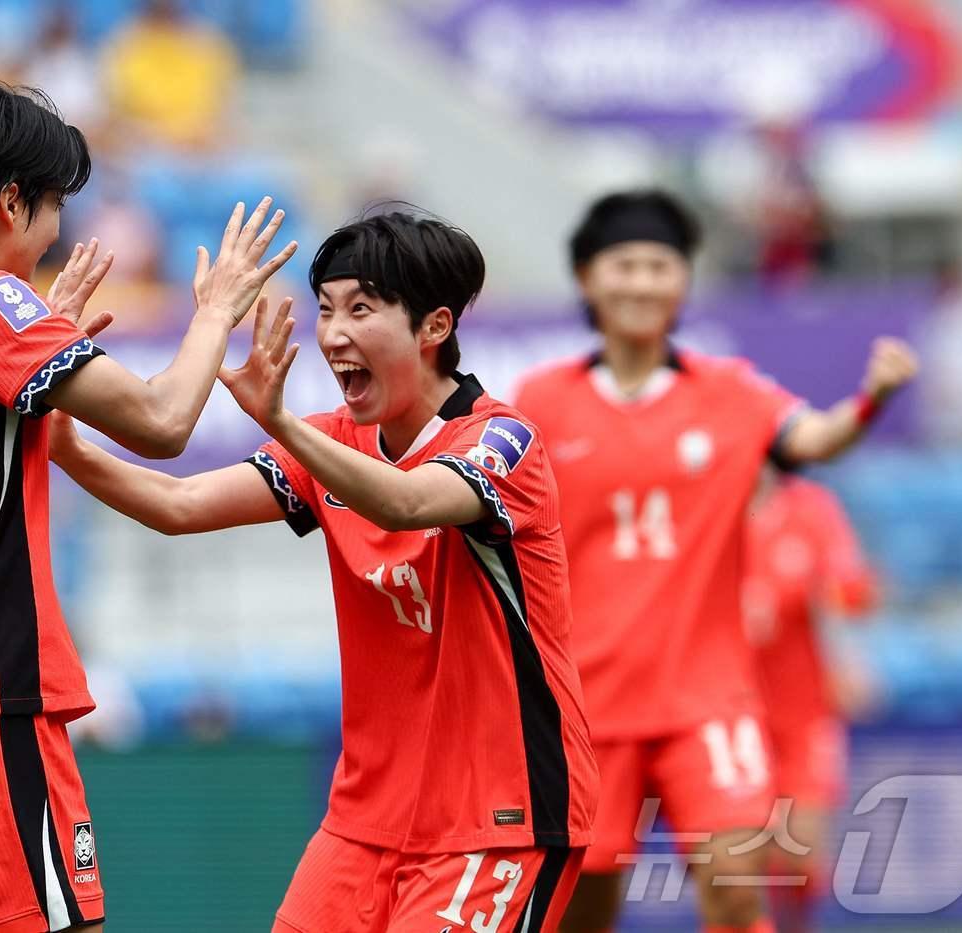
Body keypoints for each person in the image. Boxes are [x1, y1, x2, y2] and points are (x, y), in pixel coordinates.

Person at [0, 79, 294, 933]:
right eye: (52, 210)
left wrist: (31, 357)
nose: (51, 239)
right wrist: (217, 311)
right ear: (7, 202)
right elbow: (163, 420)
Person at [49, 210, 599, 933]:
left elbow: (405, 501)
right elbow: (178, 504)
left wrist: (279, 422)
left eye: (361, 309)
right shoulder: (334, 440)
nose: (334, 333)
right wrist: (65, 443)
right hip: (363, 825)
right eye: (327, 309)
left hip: (500, 817)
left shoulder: (503, 441)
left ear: (435, 326)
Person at [510, 189, 917, 933]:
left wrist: (870, 400)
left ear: (684, 280)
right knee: (582, 911)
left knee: (735, 890)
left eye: (660, 265)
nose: (642, 282)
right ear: (587, 278)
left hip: (708, 701)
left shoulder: (729, 391)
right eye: (624, 265)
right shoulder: (540, 401)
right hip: (586, 707)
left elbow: (814, 438)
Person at [742, 470, 877, 933]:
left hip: (805, 711)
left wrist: (848, 657)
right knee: (744, 856)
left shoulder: (811, 508)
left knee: (802, 849)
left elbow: (846, 590)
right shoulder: (713, 504)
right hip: (736, 711)